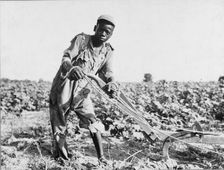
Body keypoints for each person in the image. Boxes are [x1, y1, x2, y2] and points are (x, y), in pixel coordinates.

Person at [49, 15, 117, 165]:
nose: (104, 34)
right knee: (60, 122)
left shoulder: (108, 51)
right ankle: (62, 159)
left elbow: (108, 72)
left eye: (108, 32)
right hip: (65, 84)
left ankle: (101, 158)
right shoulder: (81, 40)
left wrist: (112, 83)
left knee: (93, 120)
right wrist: (71, 68)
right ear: (95, 28)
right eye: (101, 29)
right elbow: (66, 58)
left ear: (111, 34)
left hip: (83, 90)